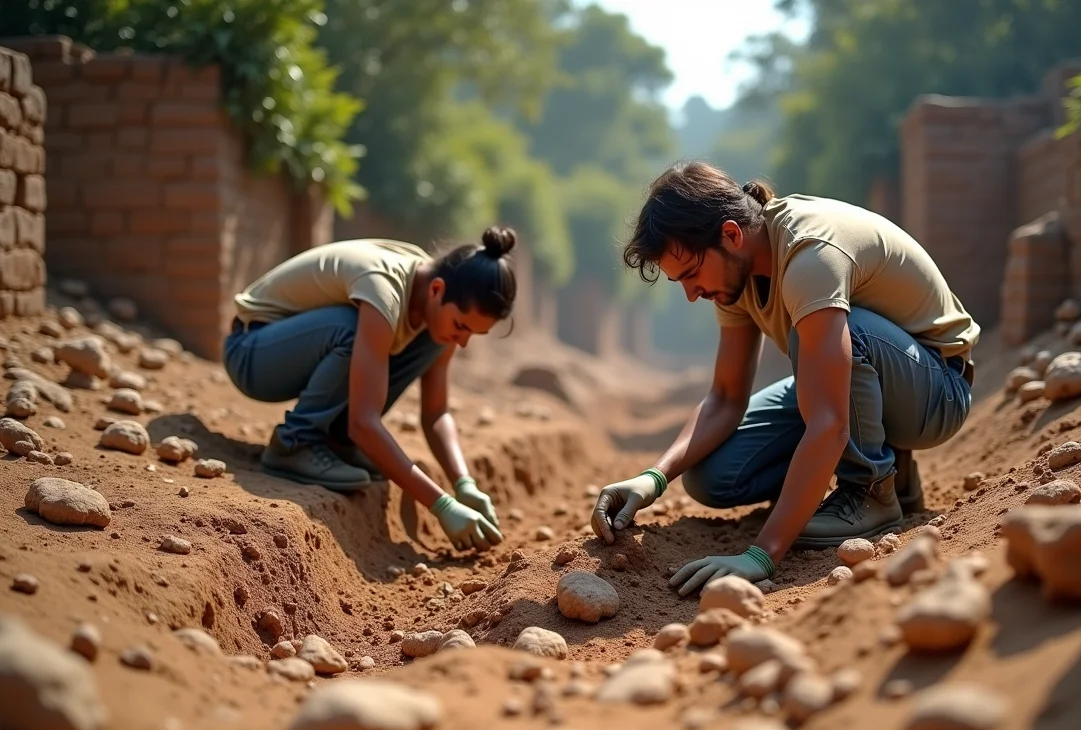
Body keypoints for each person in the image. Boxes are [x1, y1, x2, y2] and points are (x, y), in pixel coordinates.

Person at [590, 161, 979, 594]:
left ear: (732, 234)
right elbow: (724, 397)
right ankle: (885, 474)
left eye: (692, 274)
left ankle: (870, 490)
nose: (691, 293)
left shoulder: (810, 256)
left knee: (829, 337)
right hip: (864, 380)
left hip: (936, 391)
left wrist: (762, 554)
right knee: (713, 475)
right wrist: (653, 478)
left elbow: (829, 422)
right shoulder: (733, 272)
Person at [222, 227, 520, 553]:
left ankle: (335, 440)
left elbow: (436, 413)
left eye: (473, 335)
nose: (462, 341)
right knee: (350, 326)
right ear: (437, 290)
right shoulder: (384, 289)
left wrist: (464, 484)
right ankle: (294, 443)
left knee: (434, 340)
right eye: (462, 326)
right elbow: (364, 421)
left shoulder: (434, 304)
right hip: (252, 353)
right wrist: (441, 505)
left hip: (287, 352)